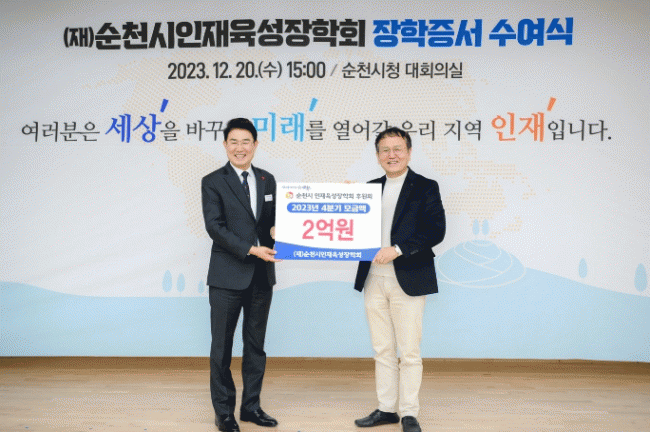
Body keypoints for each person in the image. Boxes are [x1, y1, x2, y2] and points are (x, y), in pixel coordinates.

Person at [353, 127, 446, 432]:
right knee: (382, 349)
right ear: (377, 155)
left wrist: (398, 249)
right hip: (373, 278)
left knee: (409, 351)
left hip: (409, 277)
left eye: (397, 149)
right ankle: (386, 409)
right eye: (385, 150)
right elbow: (353, 230)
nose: (391, 155)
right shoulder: (369, 189)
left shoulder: (426, 187)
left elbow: (435, 230)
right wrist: (346, 203)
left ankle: (409, 412)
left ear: (408, 152)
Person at [201, 118, 280, 432]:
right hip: (226, 276)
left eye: (246, 141)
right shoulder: (212, 181)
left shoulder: (267, 179)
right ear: (225, 145)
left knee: (255, 346)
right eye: (233, 142)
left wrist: (281, 233)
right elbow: (215, 227)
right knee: (221, 348)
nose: (240, 148)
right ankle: (224, 413)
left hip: (261, 276)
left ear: (255, 145)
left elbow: (273, 222)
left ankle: (251, 408)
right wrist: (251, 249)